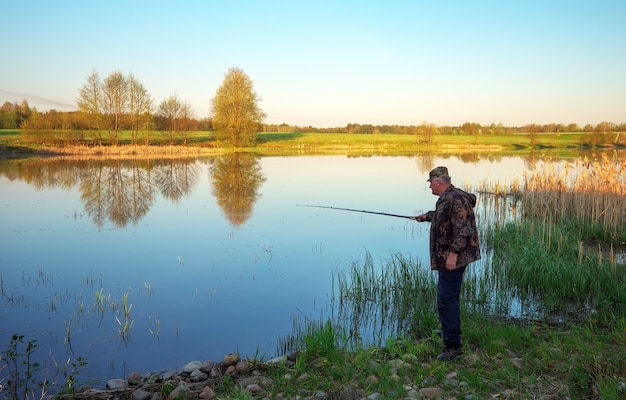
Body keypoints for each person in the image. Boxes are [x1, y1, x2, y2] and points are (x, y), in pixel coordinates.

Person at [412, 166, 481, 362]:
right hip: (448, 256)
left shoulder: (454, 199)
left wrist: (453, 255)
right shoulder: (449, 197)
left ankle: (453, 347)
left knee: (446, 298)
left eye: (430, 184)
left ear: (438, 182)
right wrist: (426, 216)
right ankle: (449, 330)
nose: (430, 188)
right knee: (447, 296)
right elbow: (445, 217)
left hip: (453, 258)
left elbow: (464, 230)